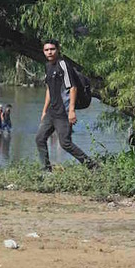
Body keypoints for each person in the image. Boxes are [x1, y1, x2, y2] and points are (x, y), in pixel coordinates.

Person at [36, 40, 96, 171]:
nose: (49, 52)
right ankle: (46, 171)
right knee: (40, 139)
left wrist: (71, 111)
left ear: (58, 50)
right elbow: (49, 90)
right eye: (46, 50)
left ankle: (93, 166)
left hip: (64, 112)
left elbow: (73, 88)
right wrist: (44, 111)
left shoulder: (63, 65)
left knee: (65, 143)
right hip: (51, 111)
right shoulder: (47, 66)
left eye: (52, 49)